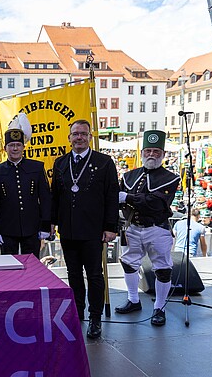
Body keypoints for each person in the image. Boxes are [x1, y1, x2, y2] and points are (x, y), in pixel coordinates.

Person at [51, 119, 119, 339]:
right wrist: (52, 223)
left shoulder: (104, 162)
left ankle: (96, 317)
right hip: (68, 229)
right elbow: (55, 197)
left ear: (90, 137)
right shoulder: (60, 163)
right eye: (75, 134)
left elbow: (112, 196)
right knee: (73, 275)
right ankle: (77, 314)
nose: (79, 137)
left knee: (95, 275)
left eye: (83, 134)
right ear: (69, 137)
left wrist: (111, 227)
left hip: (93, 229)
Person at [115, 130, 180, 327]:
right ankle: (133, 300)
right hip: (133, 227)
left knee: (162, 268)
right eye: (148, 150)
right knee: (129, 263)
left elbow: (156, 203)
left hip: (157, 229)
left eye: (156, 151)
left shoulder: (171, 178)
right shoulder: (129, 175)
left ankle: (159, 307)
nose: (152, 155)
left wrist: (128, 197)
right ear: (142, 152)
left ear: (163, 154)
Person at [0, 114, 51, 257]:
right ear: (5, 148)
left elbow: (45, 198)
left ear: (23, 147)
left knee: (33, 267)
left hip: (32, 228)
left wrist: (45, 225)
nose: (15, 148)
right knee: (10, 270)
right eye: (11, 145)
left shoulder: (36, 167)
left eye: (18, 145)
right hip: (7, 229)